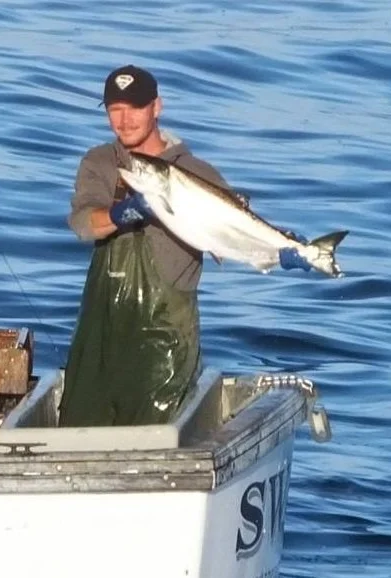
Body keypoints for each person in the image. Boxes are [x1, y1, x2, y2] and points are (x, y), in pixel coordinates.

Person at [58, 64, 310, 427]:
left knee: (158, 428)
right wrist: (123, 212)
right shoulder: (100, 163)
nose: (124, 120)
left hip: (168, 332)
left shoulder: (198, 173)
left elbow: (233, 229)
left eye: (135, 108)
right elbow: (83, 224)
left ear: (157, 107)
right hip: (104, 325)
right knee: (82, 422)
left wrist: (277, 249)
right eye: (114, 109)